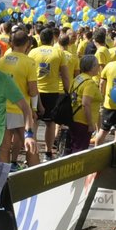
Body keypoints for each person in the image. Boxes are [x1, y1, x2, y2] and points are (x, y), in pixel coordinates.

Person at [0, 28, 39, 166]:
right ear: (27, 43)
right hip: (22, 110)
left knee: (4, 147)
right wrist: (35, 107)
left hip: (2, 109)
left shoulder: (1, 61)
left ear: (10, 43)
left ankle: (4, 180)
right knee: (30, 145)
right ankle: (36, 177)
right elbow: (33, 91)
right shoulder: (29, 62)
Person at [28, 25, 72, 158]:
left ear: (40, 39)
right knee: (50, 123)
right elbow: (65, 75)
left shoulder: (32, 52)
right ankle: (48, 152)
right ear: (53, 39)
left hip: (35, 91)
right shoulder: (58, 52)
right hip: (52, 92)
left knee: (33, 122)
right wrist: (67, 90)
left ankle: (32, 154)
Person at [68, 54, 101, 153]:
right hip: (83, 121)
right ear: (91, 67)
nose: (99, 66)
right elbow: (86, 104)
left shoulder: (78, 78)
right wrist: (90, 124)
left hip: (74, 116)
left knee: (74, 146)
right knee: (80, 150)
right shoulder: (89, 83)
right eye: (97, 65)